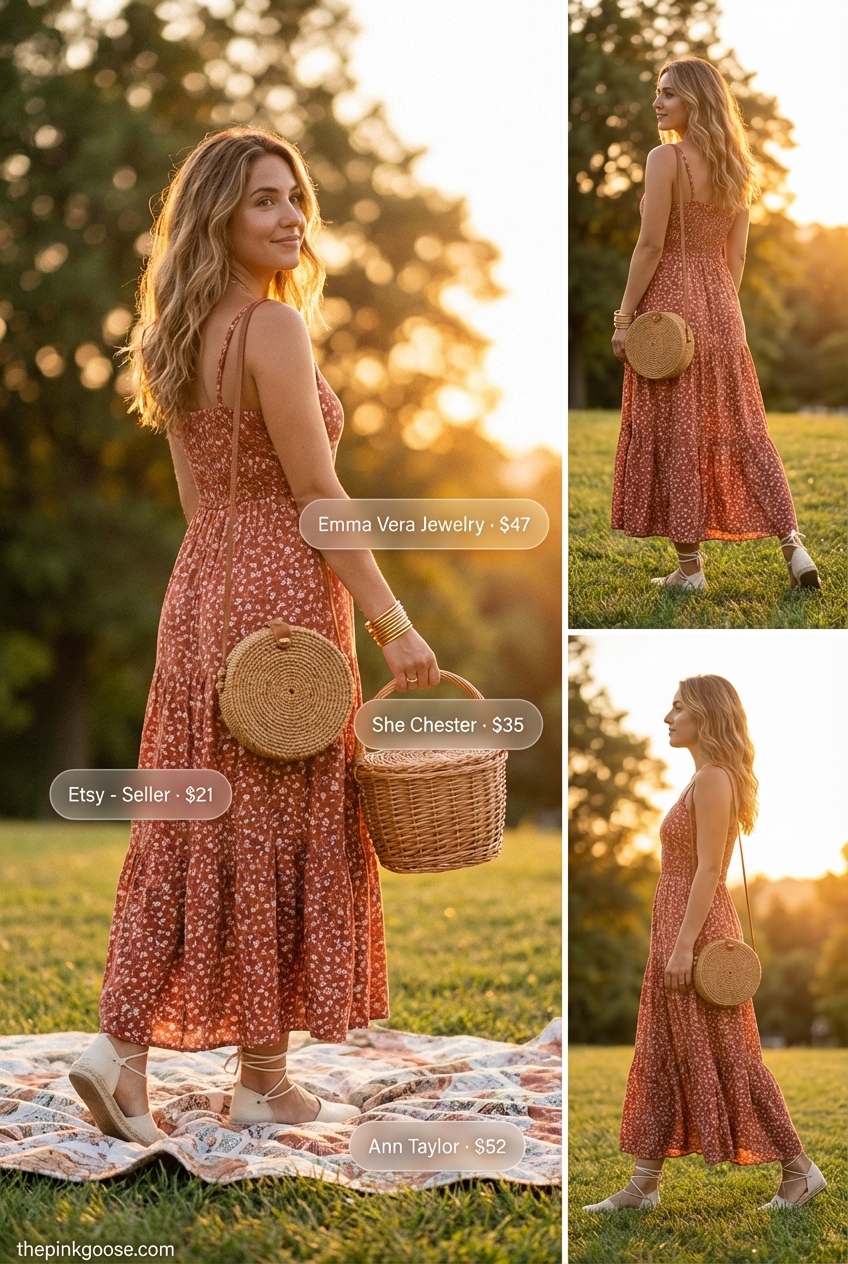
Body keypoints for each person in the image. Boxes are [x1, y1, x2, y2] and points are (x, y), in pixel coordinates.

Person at [68, 127, 439, 1145]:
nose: (289, 218)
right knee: (278, 827)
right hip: (282, 597)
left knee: (203, 825)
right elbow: (317, 492)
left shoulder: (177, 334)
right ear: (219, 219)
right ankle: (138, 1054)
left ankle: (248, 1077)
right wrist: (393, 621)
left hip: (200, 596)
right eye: (263, 201)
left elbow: (199, 500)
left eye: (293, 199)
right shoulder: (273, 330)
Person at [583, 675, 826, 1213]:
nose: (667, 718)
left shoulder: (715, 779)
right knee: (665, 1048)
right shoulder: (700, 780)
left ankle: (800, 1171)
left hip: (696, 933)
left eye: (676, 708)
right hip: (676, 929)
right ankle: (643, 1184)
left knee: (731, 1054)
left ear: (705, 716)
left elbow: (710, 869)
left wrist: (684, 945)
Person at [609, 56, 821, 593]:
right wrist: (721, 312)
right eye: (657, 92)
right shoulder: (740, 167)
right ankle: (792, 545)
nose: (657, 102)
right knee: (747, 429)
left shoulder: (665, 159)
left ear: (696, 102)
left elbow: (651, 245)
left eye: (669, 94)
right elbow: (738, 257)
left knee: (676, 430)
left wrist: (625, 318)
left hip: (671, 305)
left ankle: (691, 569)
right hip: (723, 307)